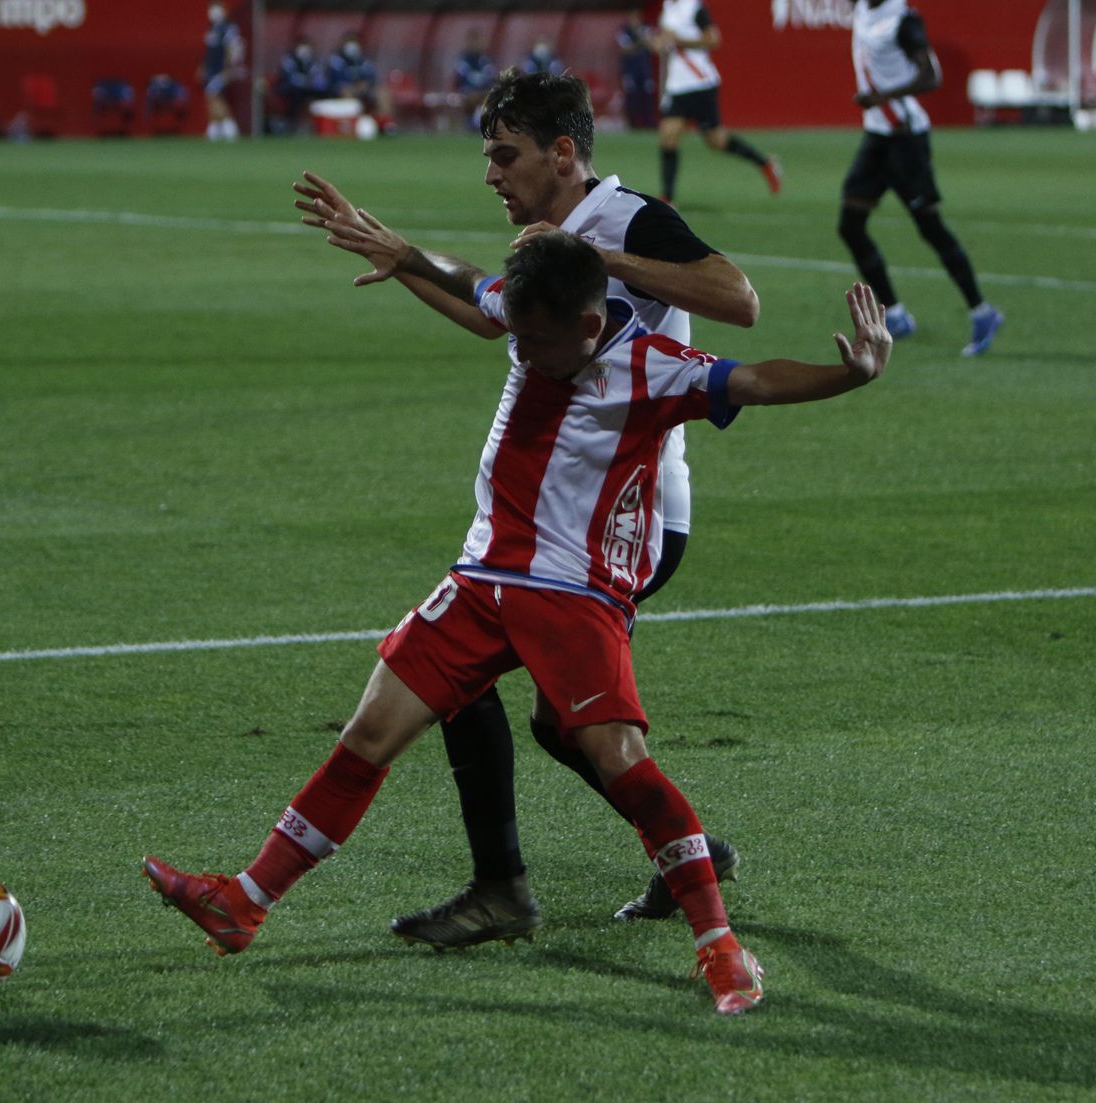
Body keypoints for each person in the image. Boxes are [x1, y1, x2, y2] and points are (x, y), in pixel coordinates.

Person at [144, 225, 891, 1017]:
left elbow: (757, 381)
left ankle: (720, 946)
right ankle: (244, 902)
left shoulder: (651, 369)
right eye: (519, 335)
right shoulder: (532, 316)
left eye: (538, 340)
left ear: (590, 325)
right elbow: (473, 283)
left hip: (574, 595)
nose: (523, 352)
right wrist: (404, 255)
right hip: (480, 580)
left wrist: (851, 375)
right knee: (368, 733)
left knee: (620, 761)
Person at [292, 69, 760, 951]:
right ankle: (674, 854)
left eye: (505, 156)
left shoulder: (626, 219)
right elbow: (492, 318)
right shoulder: (551, 236)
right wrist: (403, 258)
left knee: (466, 677)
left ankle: (507, 889)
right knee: (549, 716)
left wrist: (600, 261)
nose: (491, 175)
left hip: (627, 520)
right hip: (557, 518)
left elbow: (738, 299)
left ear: (564, 153)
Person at [841, 0, 1003, 357]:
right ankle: (896, 315)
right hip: (878, 135)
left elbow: (932, 76)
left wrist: (882, 95)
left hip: (905, 138)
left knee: (929, 227)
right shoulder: (864, 9)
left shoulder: (902, 21)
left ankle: (982, 312)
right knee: (851, 225)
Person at [653, 0, 781, 202]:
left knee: (716, 140)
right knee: (668, 136)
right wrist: (659, 43)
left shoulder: (694, 8)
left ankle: (764, 163)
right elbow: (665, 42)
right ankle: (667, 198)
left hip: (700, 83)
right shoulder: (668, 9)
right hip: (677, 86)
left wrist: (680, 41)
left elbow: (713, 39)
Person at [327, 30, 394, 133]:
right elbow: (335, 79)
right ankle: (356, 126)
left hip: (364, 88)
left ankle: (385, 125)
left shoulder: (363, 59)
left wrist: (365, 84)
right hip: (344, 90)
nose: (352, 45)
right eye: (348, 42)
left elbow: (371, 76)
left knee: (382, 93)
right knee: (347, 92)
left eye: (354, 41)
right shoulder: (336, 60)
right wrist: (353, 86)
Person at [200, 2, 244, 141]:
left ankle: (229, 127)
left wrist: (228, 69)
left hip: (221, 69)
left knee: (214, 95)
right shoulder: (212, 27)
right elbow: (209, 51)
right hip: (211, 68)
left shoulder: (229, 28)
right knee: (212, 96)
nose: (213, 12)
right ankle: (216, 127)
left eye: (216, 9)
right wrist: (203, 67)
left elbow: (232, 48)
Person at [275, 37, 326, 135]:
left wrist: (310, 82)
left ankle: (318, 125)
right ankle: (293, 124)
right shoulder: (289, 59)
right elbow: (289, 77)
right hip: (289, 88)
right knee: (296, 94)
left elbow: (318, 77)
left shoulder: (312, 60)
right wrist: (306, 81)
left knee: (323, 93)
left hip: (308, 89)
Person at [618, 8, 658, 131]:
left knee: (647, 95)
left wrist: (644, 41)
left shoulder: (645, 29)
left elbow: (653, 46)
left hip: (644, 69)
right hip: (630, 69)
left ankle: (649, 122)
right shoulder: (624, 31)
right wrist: (641, 42)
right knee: (632, 96)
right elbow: (626, 50)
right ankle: (633, 123)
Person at [452, 30, 497, 130]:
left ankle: (480, 122)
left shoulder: (485, 58)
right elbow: (463, 77)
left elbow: (490, 75)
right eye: (475, 40)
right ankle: (472, 123)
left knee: (489, 96)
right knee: (473, 96)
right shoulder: (463, 58)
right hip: (467, 90)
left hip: (483, 90)